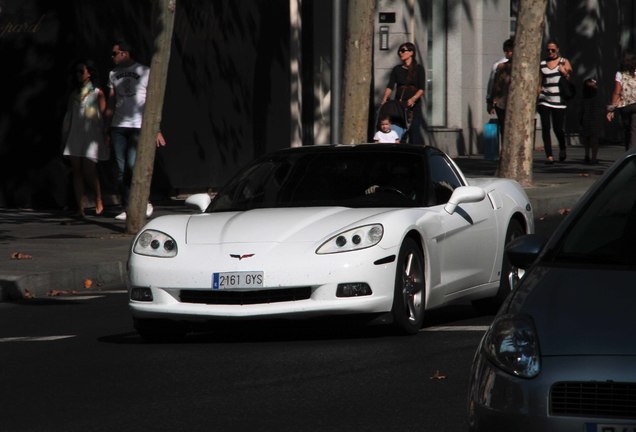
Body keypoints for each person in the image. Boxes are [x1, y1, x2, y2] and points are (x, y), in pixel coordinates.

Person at [105, 40, 162, 221]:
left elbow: (152, 102)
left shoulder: (144, 71)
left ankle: (144, 202)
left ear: (125, 53)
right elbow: (111, 101)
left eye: (115, 53)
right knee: (121, 169)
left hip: (138, 126)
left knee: (132, 166)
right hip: (118, 126)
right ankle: (128, 206)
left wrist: (156, 129)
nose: (112, 57)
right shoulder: (113, 74)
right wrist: (106, 127)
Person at [62, 59, 109, 217]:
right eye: (76, 72)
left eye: (81, 71)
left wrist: (105, 134)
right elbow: (69, 116)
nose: (78, 75)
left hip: (91, 135)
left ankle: (98, 198)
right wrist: (65, 134)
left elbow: (103, 115)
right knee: (76, 170)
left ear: (89, 73)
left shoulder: (97, 92)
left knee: (89, 169)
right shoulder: (73, 94)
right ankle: (80, 208)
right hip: (75, 134)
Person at [381, 42, 426, 144]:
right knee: (397, 133)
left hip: (414, 107)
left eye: (403, 51)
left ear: (411, 52)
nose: (400, 53)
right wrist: (385, 98)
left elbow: (421, 89)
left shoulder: (419, 69)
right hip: (399, 106)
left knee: (414, 133)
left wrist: (413, 99)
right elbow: (390, 86)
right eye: (399, 51)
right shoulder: (397, 69)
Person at [537, 39, 573, 164]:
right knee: (546, 127)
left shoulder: (564, 61)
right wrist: (537, 93)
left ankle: (562, 148)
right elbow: (539, 81)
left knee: (558, 128)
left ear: (557, 49)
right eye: (548, 50)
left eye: (553, 50)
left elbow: (569, 78)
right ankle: (549, 155)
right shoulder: (542, 63)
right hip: (544, 99)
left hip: (559, 100)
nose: (550, 52)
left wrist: (564, 73)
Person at [607, 51, 636, 149]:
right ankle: (632, 152)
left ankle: (628, 150)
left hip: (625, 105)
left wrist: (611, 109)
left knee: (627, 129)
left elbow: (617, 92)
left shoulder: (620, 74)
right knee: (634, 130)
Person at [487, 38, 514, 142]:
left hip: (515, 103)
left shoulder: (523, 67)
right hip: (501, 103)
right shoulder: (500, 66)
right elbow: (494, 84)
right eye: (505, 50)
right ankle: (504, 150)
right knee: (503, 127)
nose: (507, 53)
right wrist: (490, 101)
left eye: (510, 50)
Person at [580, 78, 604, 164]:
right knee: (594, 140)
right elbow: (601, 108)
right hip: (595, 119)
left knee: (587, 138)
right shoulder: (597, 97)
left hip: (586, 119)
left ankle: (586, 155)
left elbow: (581, 110)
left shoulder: (584, 98)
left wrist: (580, 119)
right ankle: (593, 158)